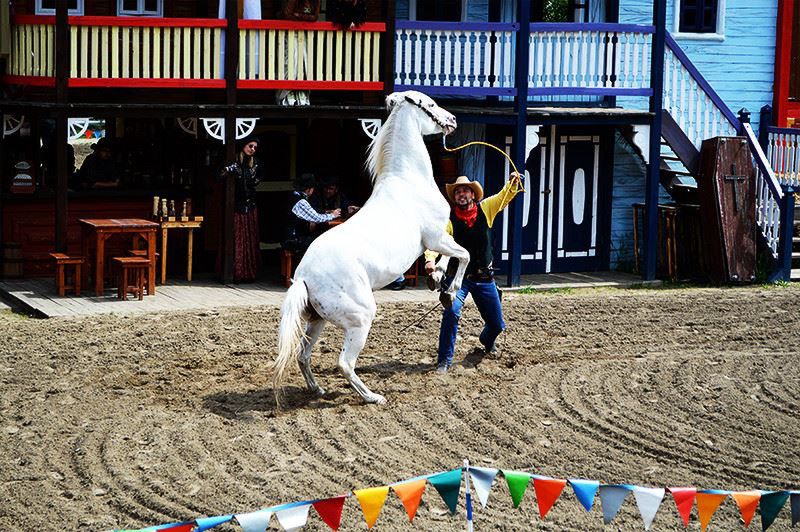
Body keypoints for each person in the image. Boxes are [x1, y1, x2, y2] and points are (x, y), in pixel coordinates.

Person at [425, 172, 523, 373]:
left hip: (485, 277)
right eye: (458, 192)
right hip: (458, 279)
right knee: (451, 312)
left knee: (496, 325)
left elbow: (504, 196)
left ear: (472, 195)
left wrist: (513, 183)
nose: (461, 194)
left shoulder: (486, 208)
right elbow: (438, 241)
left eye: (465, 191)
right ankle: (444, 360)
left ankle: (487, 340)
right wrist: (429, 260)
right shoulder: (449, 219)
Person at [220, 136, 262, 282]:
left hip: (250, 205)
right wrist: (228, 170)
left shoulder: (255, 164)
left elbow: (256, 181)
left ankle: (248, 273)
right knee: (237, 238)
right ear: (244, 146)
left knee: (249, 238)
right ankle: (235, 273)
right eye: (250, 146)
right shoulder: (235, 161)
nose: (252, 149)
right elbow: (220, 175)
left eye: (255, 147)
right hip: (235, 206)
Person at [283, 173, 341, 255]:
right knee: (324, 242)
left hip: (291, 237)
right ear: (309, 189)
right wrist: (333, 215)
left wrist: (325, 212)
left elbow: (311, 211)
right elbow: (317, 219)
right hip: (293, 239)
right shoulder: (301, 201)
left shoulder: (294, 195)